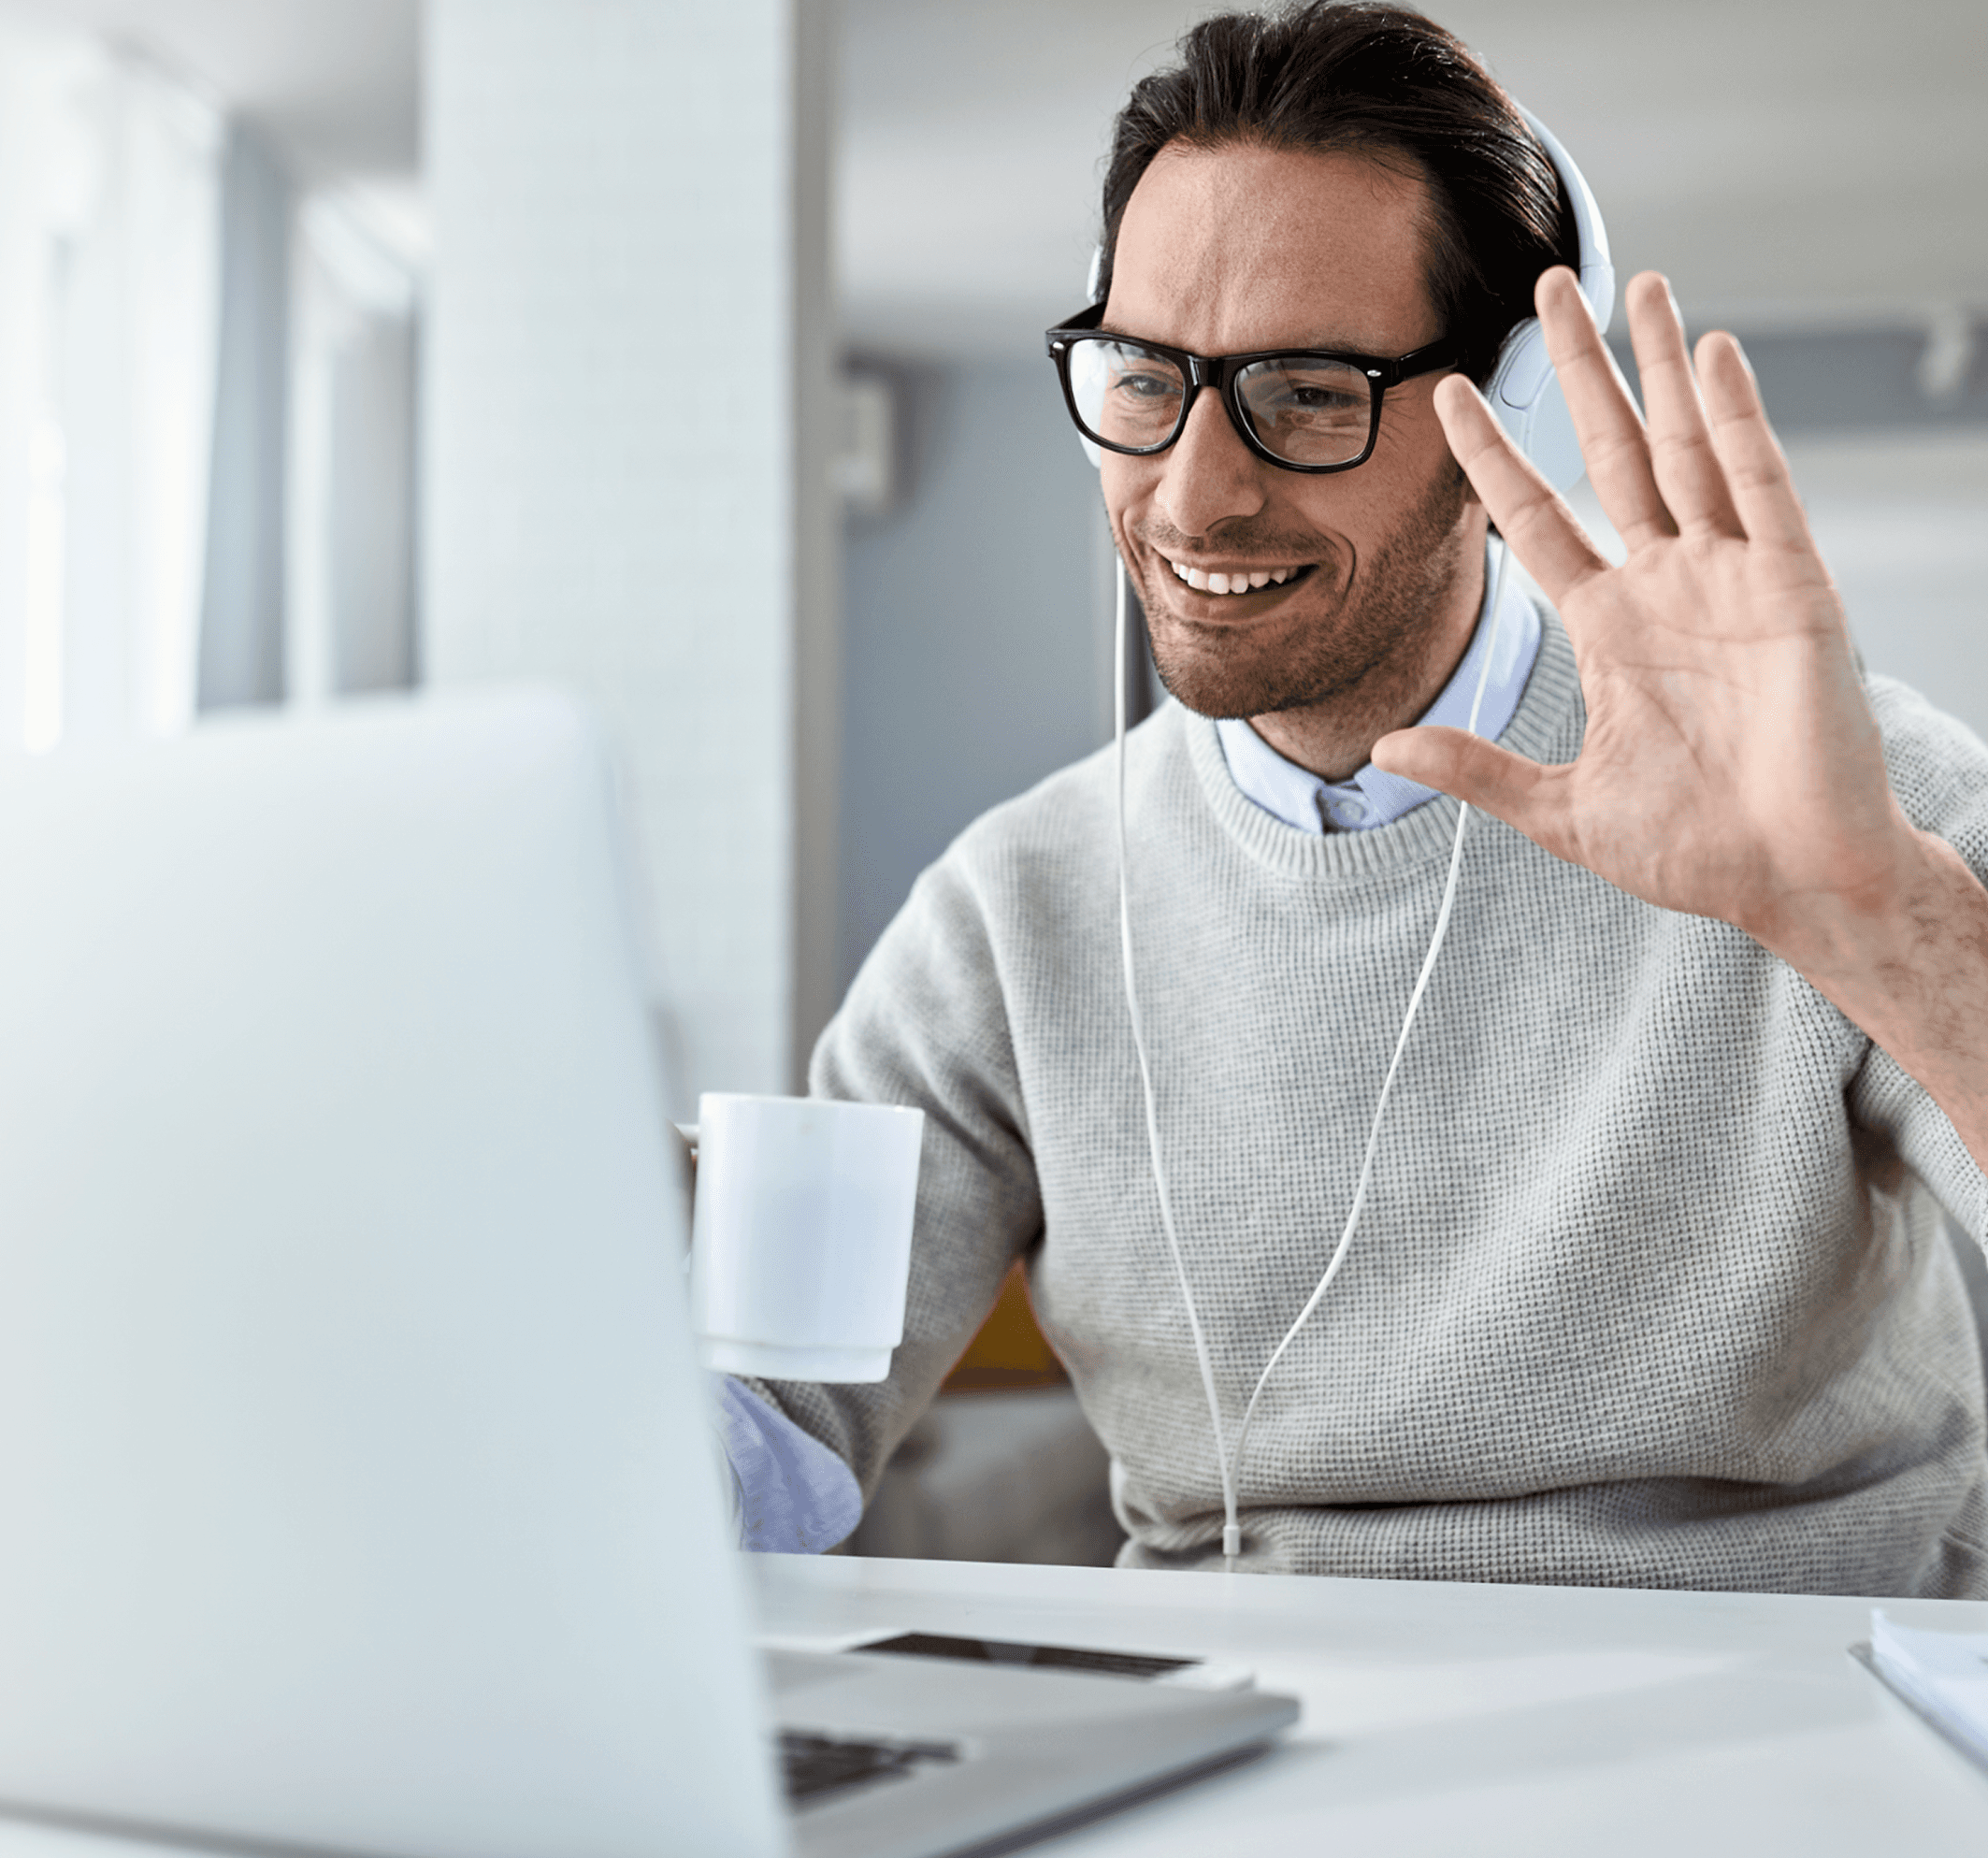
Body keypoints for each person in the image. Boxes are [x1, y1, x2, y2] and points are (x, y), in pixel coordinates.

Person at [734, 1, 1988, 1596]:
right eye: (1144, 377)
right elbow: (766, 1423)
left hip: (1787, 1722)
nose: (1193, 490)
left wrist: (1871, 913)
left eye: (1309, 392)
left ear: (1503, 413)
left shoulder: (1827, 792)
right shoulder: (1012, 915)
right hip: (1239, 1745)